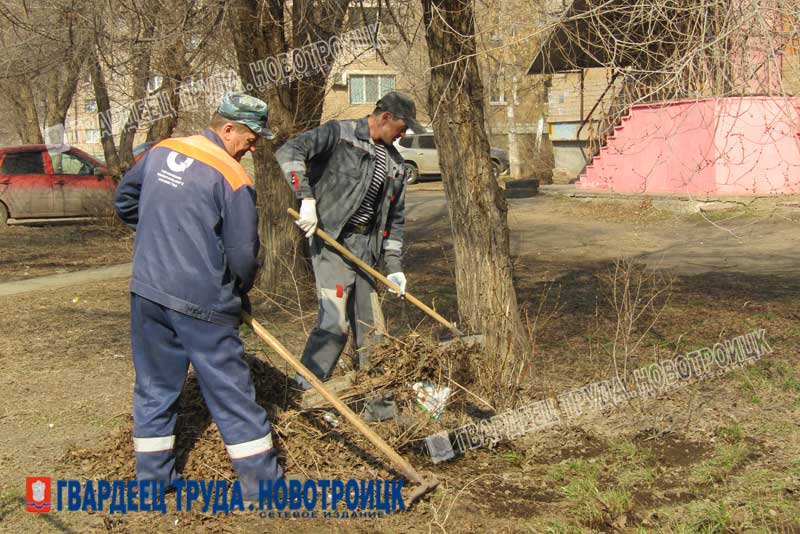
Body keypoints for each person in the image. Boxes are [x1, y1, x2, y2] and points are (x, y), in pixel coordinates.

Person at [114, 93, 283, 499]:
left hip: (149, 290)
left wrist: (164, 227)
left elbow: (124, 202)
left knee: (154, 387)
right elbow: (244, 254)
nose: (254, 145)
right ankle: (264, 487)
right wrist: (239, 290)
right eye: (251, 136)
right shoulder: (233, 177)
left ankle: (152, 484)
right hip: (202, 300)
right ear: (227, 129)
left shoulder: (161, 150)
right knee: (230, 390)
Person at [275, 91, 424, 397]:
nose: (404, 133)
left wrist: (394, 267)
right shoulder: (339, 135)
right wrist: (306, 198)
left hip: (366, 251)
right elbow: (290, 151)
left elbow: (395, 221)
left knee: (373, 333)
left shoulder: (396, 165)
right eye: (402, 126)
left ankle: (379, 409)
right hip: (333, 243)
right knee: (334, 323)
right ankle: (303, 394)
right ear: (385, 118)